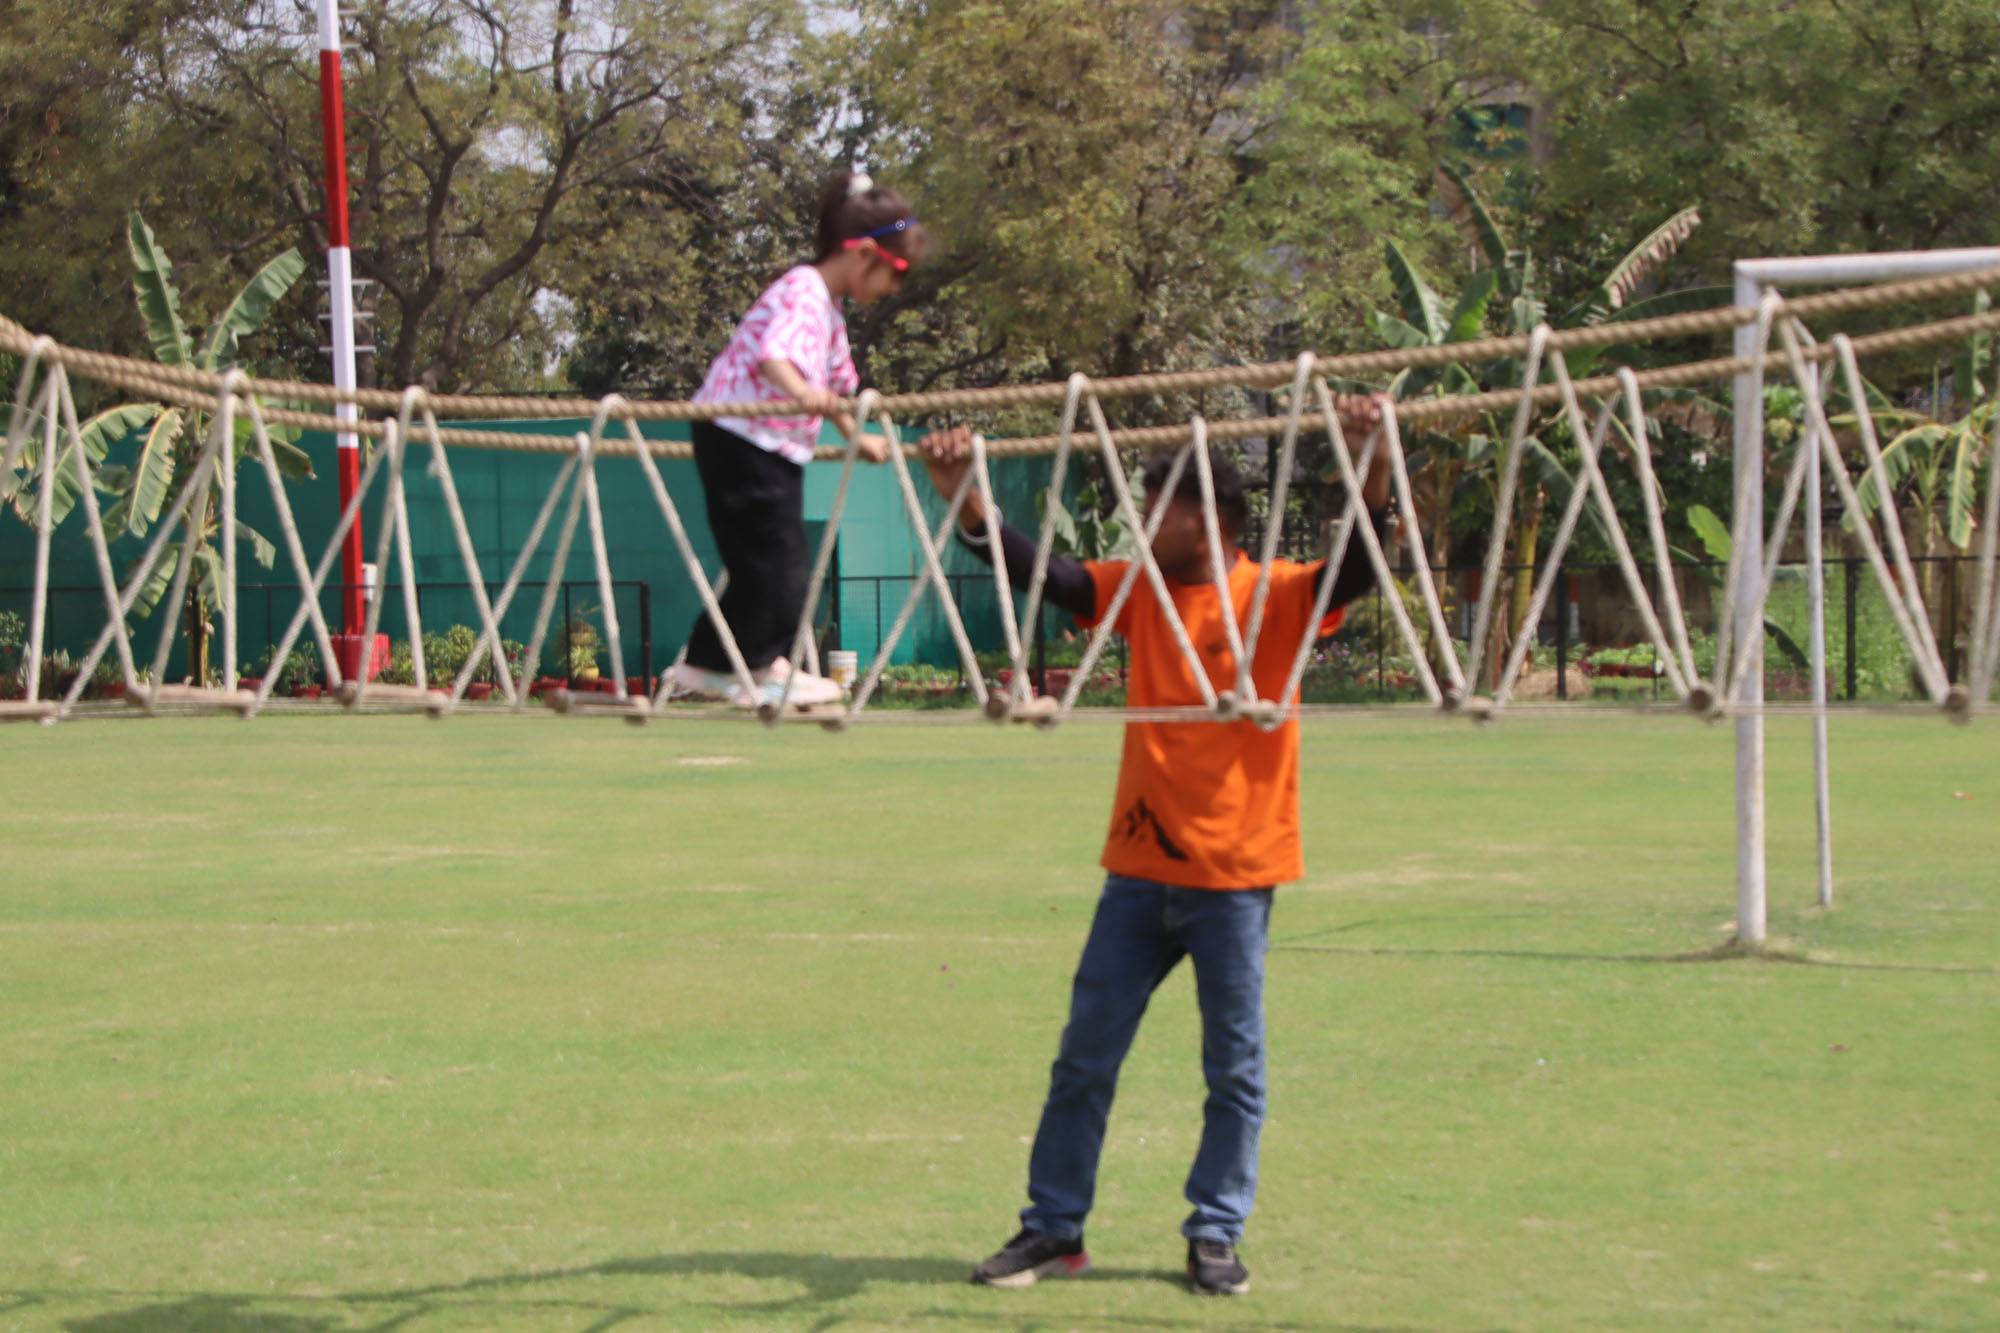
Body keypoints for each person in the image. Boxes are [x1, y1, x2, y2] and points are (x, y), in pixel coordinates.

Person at [917, 412, 1393, 1295]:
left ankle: (1215, 1231)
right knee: (1083, 1060)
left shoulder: (1278, 594)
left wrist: (1373, 464)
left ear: (1208, 520)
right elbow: (1047, 574)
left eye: (1155, 505)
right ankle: (1054, 1227)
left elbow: (1359, 566)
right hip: (1136, 875)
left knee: (1234, 1073)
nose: (1140, 519)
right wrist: (965, 501)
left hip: (1234, 879)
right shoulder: (1140, 590)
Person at [671, 171, 925, 709]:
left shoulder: (829, 310)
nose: (894, 288)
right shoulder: (803, 291)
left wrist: (857, 437)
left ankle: (707, 663)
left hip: (766, 446)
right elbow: (775, 357)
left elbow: (840, 384)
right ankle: (762, 668)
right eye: (896, 272)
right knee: (779, 565)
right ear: (863, 254)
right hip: (742, 436)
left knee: (762, 564)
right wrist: (804, 393)